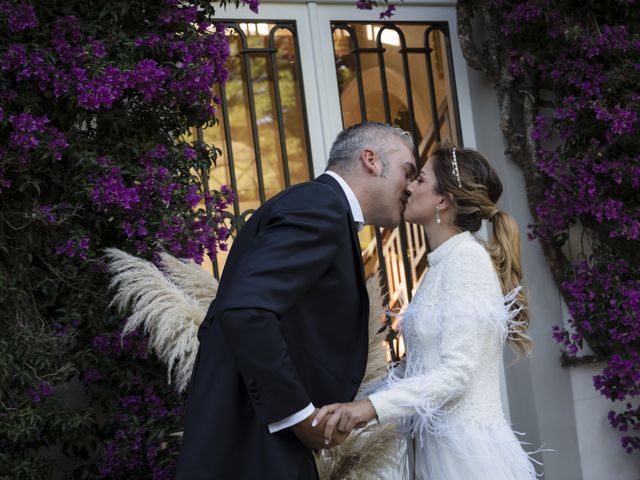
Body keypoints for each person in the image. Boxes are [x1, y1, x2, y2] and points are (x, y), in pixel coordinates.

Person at [175, 122, 417, 479]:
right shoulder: (319, 207)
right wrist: (298, 416)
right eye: (407, 171)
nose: (411, 187)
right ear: (371, 160)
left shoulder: (321, 208)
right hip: (252, 446)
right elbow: (246, 310)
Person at [313, 145, 540, 479]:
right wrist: (353, 404)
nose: (408, 187)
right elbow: (418, 372)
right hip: (437, 452)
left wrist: (368, 409)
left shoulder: (467, 260)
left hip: (467, 460)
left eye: (419, 179)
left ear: (442, 200)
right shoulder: (442, 264)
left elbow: (457, 374)